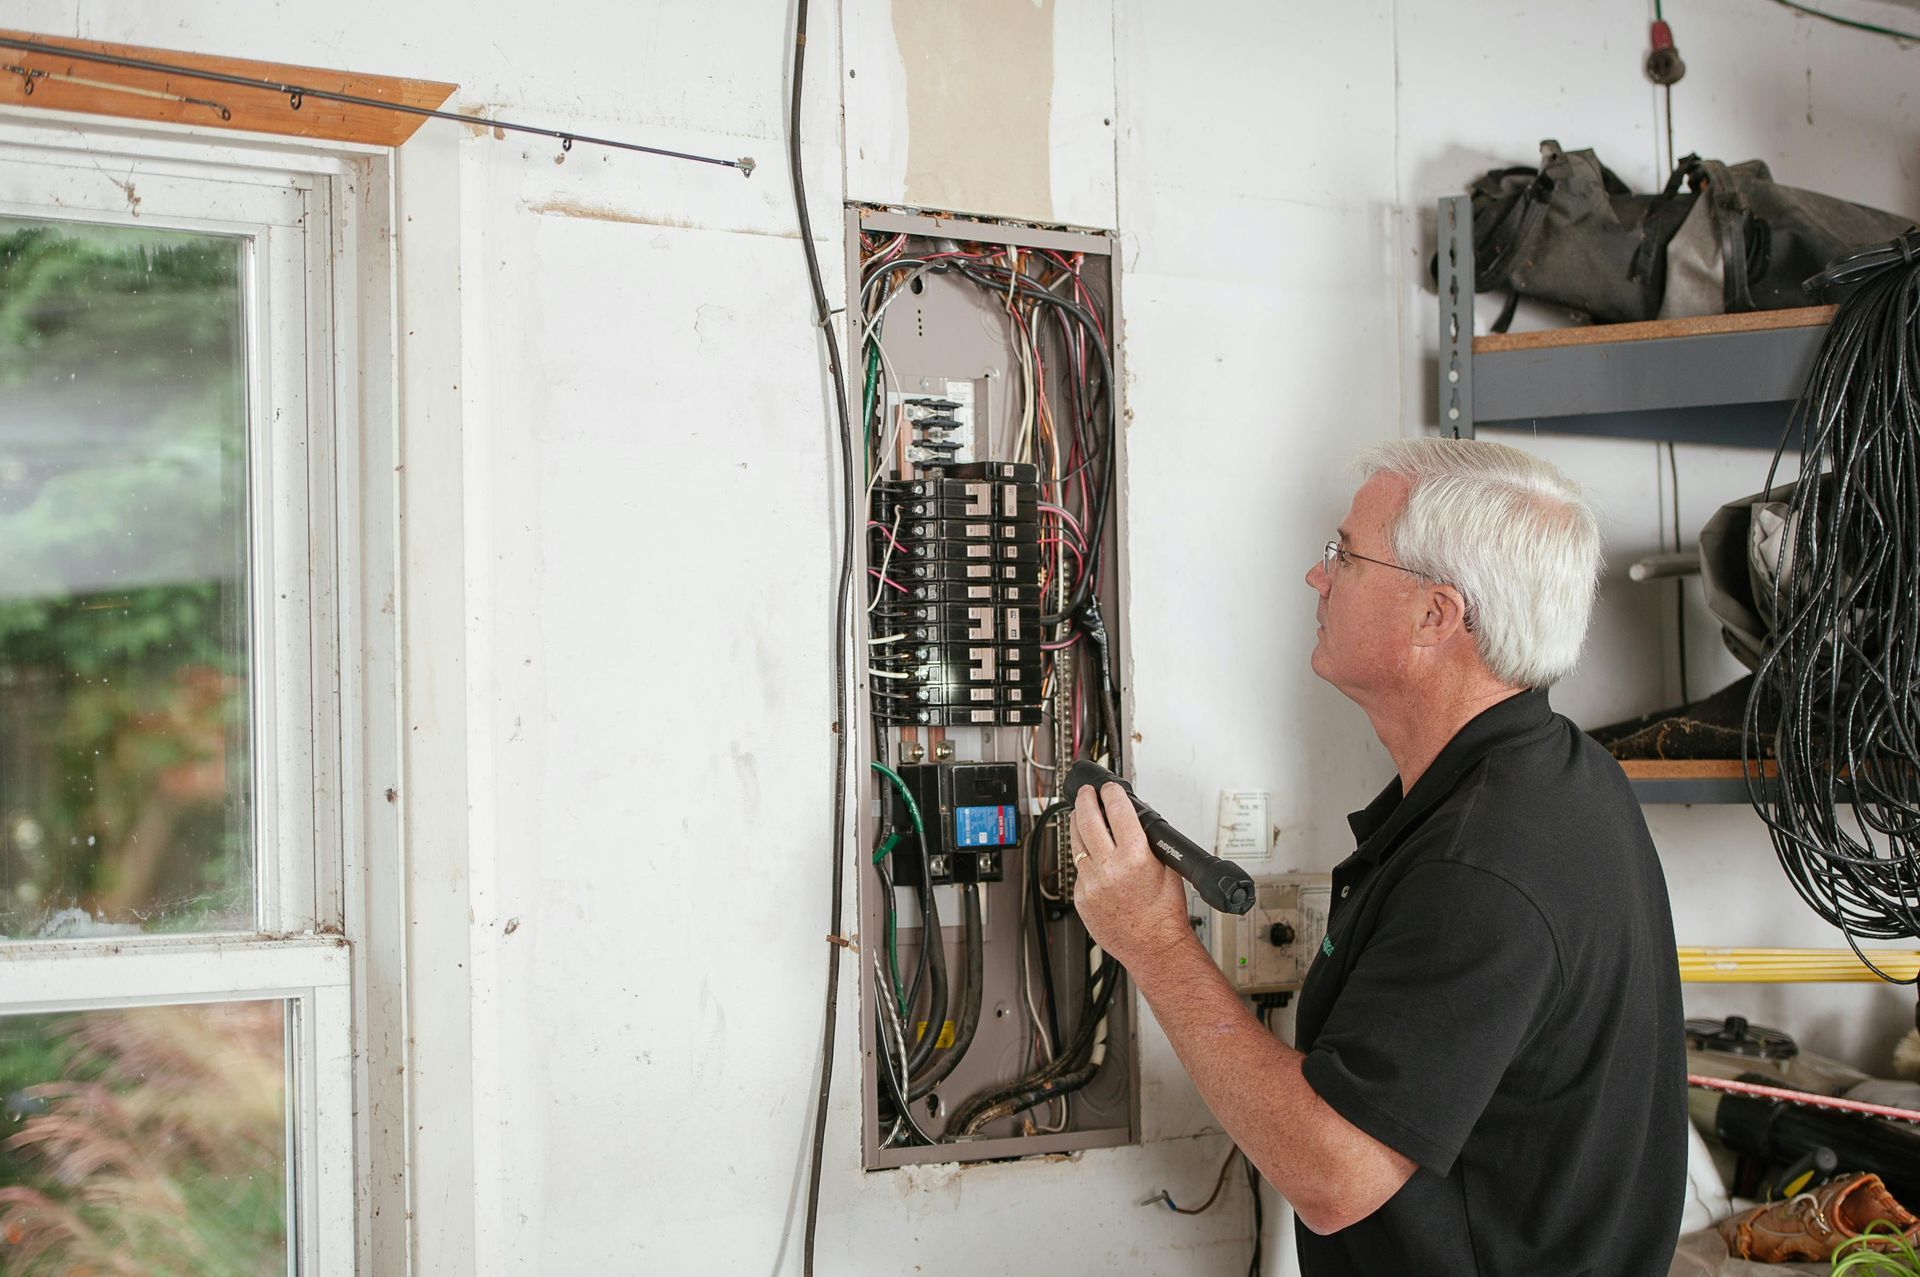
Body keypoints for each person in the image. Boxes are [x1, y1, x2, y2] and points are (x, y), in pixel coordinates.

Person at [1070, 437, 1686, 1275]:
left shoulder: (1482, 865)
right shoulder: (1565, 774)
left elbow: (1333, 1173)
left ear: (1436, 614)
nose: (1316, 578)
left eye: (1345, 556)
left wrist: (1154, 940)